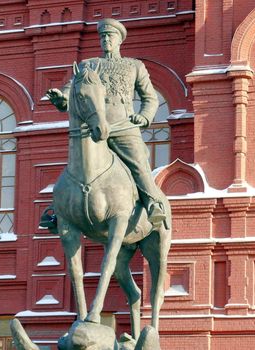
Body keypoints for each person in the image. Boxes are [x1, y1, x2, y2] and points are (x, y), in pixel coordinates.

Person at [45, 18, 166, 226]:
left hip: (124, 128)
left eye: (110, 36)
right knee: (77, 163)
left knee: (138, 163)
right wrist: (62, 97)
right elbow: (74, 89)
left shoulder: (134, 66)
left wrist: (144, 116)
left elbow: (150, 98)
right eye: (102, 36)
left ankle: (153, 204)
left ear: (119, 40)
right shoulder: (89, 65)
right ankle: (59, 212)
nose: (106, 40)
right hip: (92, 129)